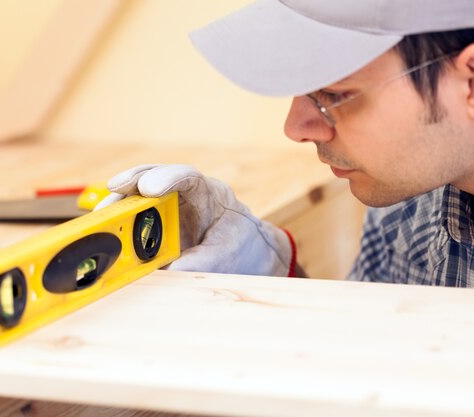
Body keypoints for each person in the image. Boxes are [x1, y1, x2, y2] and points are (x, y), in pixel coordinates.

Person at [97, 0, 474, 286]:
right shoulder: (406, 202)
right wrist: (272, 274)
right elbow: (370, 362)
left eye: (333, 93)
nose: (296, 128)